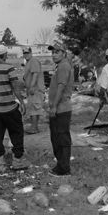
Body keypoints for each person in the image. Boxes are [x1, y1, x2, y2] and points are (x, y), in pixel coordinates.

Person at [0, 44, 29, 172]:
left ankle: (1, 165)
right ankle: (17, 161)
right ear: (4, 56)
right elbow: (15, 87)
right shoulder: (9, 68)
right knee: (17, 134)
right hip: (10, 108)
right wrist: (22, 102)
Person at [47, 41, 74, 176]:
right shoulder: (60, 66)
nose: (54, 54)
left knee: (61, 138)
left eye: (57, 52)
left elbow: (61, 87)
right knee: (56, 138)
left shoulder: (63, 66)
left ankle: (64, 168)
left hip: (61, 108)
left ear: (64, 53)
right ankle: (61, 165)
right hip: (59, 107)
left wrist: (54, 106)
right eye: (52, 52)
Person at [22, 47, 45, 134]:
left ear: (31, 52)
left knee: (34, 110)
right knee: (33, 109)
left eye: (27, 53)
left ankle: (34, 128)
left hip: (35, 89)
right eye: (24, 53)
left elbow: (35, 74)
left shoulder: (33, 61)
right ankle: (34, 127)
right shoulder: (28, 62)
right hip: (33, 89)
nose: (26, 54)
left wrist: (31, 87)